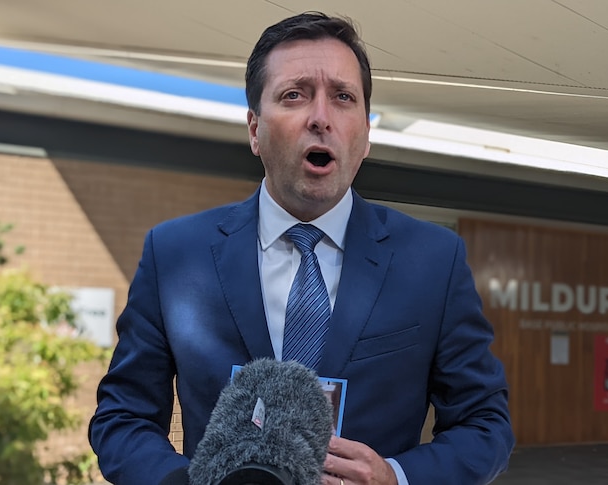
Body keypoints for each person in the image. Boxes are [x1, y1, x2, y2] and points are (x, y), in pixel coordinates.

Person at [89, 11, 514, 485]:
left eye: (343, 97)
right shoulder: (174, 254)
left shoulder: (434, 260)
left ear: (366, 133)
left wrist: (396, 477)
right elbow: (121, 419)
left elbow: (485, 424)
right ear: (254, 129)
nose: (320, 117)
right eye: (294, 95)